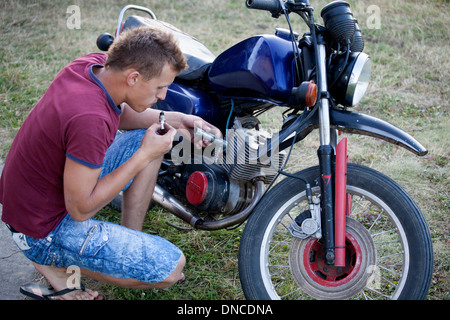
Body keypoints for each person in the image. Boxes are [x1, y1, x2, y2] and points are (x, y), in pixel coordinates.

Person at [0, 26, 221, 300]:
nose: (163, 95)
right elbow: (80, 209)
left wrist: (177, 120)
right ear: (134, 78)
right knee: (170, 268)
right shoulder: (89, 120)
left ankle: (127, 240)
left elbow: (121, 114)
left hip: (31, 199)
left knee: (148, 136)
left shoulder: (94, 67)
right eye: (160, 87)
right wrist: (145, 155)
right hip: (41, 228)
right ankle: (49, 259)